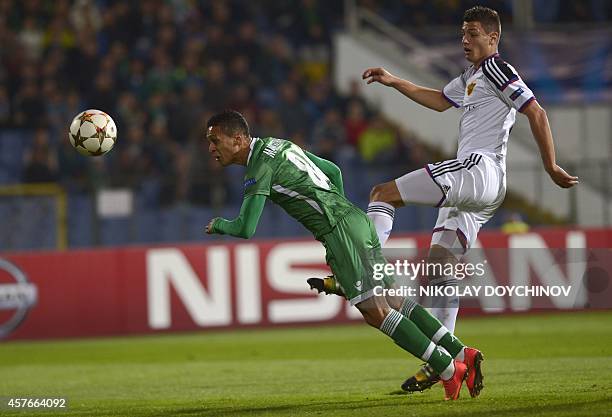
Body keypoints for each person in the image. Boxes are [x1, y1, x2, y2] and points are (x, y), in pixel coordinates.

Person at [351, 5, 578, 392]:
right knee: (440, 267)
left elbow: (536, 112)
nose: (465, 40)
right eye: (462, 33)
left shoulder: (496, 68)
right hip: (485, 188)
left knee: (382, 194)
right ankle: (453, 364)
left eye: (473, 33)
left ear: (493, 38)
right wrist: (394, 81)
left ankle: (366, 269)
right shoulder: (472, 77)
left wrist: (551, 166)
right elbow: (440, 100)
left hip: (477, 169)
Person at [204, 110, 483, 401]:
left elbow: (246, 228)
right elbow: (334, 171)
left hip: (341, 233)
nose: (211, 148)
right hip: (355, 220)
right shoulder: (279, 144)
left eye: (215, 140)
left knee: (377, 313)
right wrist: (338, 211)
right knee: (396, 301)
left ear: (237, 139)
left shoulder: (258, 167)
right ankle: (463, 352)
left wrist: (218, 225)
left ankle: (449, 369)